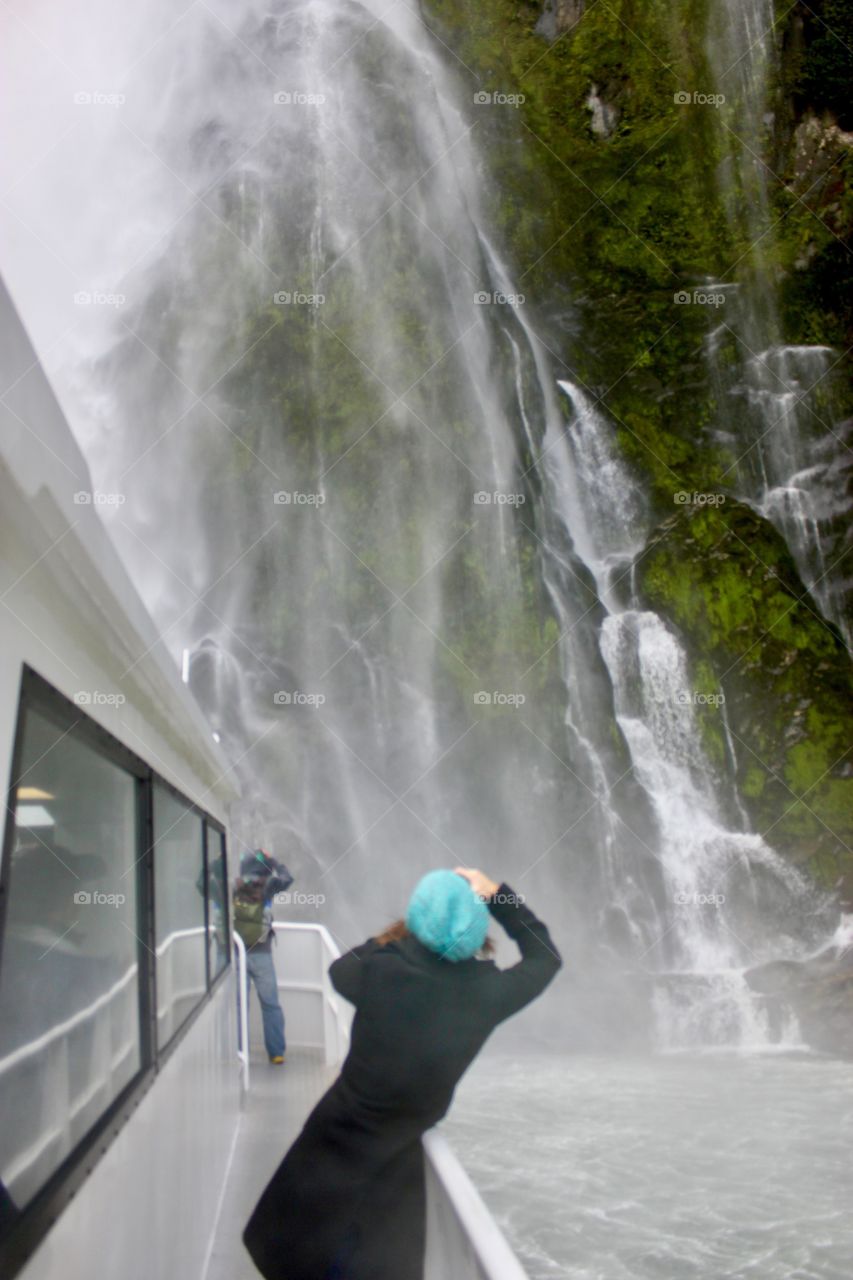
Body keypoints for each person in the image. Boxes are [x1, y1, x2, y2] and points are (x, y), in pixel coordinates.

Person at [242, 865, 562, 1279]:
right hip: (393, 1166)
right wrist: (498, 894)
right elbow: (545, 956)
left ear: (416, 920)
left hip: (328, 1147)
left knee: (300, 1256)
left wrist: (401, 932)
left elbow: (342, 967)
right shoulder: (486, 994)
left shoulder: (380, 970)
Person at [233, 850, 293, 1064]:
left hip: (237, 953)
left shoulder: (235, 886)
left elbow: (204, 886)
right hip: (262, 954)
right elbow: (287, 879)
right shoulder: (268, 886)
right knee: (270, 1004)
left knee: (239, 1005)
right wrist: (275, 861)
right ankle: (276, 1052)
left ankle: (240, 1052)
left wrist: (216, 863)